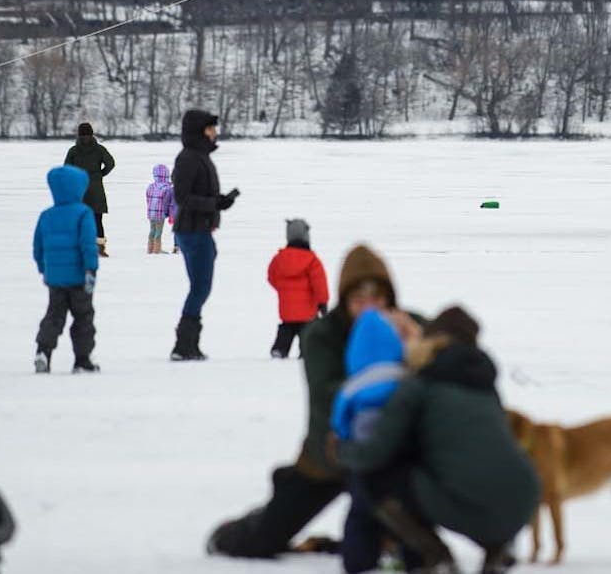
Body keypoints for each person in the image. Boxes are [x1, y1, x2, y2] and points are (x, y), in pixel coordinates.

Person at [206, 244, 422, 558]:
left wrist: (415, 342)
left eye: (377, 298)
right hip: (329, 455)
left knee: (410, 547)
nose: (369, 308)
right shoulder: (323, 334)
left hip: (391, 456)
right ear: (345, 300)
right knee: (259, 542)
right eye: (359, 300)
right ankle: (245, 527)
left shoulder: (410, 326)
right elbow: (327, 395)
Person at [337, 306, 540, 574]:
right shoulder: (484, 383)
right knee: (482, 477)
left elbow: (376, 452)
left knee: (376, 479)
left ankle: (437, 557)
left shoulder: (420, 384)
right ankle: (498, 548)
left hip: (474, 500)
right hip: (525, 497)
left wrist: (341, 449)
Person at [331, 309, 412, 574]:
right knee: (406, 509)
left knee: (361, 512)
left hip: (363, 461)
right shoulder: (404, 378)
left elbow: (340, 423)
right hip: (400, 456)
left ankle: (357, 560)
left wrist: (344, 443)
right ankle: (411, 557)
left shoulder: (353, 386)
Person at [170, 109, 238, 361]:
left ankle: (188, 345)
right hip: (192, 231)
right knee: (200, 288)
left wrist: (220, 201)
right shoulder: (189, 158)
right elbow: (182, 197)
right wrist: (214, 204)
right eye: (210, 129)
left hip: (198, 230)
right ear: (200, 131)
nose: (214, 133)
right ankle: (183, 345)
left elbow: (200, 194)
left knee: (200, 287)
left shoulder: (199, 156)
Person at [32, 164, 100, 374]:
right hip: (79, 277)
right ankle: (82, 360)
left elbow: (38, 247)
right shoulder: (83, 213)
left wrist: (44, 269)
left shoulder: (46, 215)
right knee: (83, 317)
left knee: (54, 315)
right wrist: (91, 269)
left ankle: (43, 351)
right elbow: (88, 245)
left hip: (55, 278)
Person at [267, 217, 329, 359]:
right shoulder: (312, 260)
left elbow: (271, 277)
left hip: (287, 308)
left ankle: (279, 349)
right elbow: (320, 284)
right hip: (308, 311)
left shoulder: (278, 259)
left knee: (286, 329)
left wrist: (283, 289)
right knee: (307, 332)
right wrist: (322, 302)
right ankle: (306, 351)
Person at [64, 122, 115, 258]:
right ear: (92, 134)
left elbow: (66, 169)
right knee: (97, 220)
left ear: (78, 134)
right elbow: (110, 163)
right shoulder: (99, 149)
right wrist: (100, 174)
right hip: (96, 188)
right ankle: (100, 248)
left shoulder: (74, 150)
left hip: (79, 189)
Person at [145, 163, 174, 254]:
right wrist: (168, 213)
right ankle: (157, 249)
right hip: (160, 213)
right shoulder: (167, 188)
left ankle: (150, 248)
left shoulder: (151, 186)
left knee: (152, 230)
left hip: (151, 213)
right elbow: (167, 202)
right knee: (158, 231)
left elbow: (148, 199)